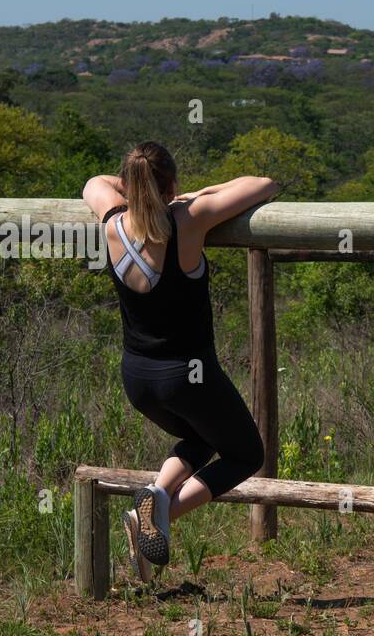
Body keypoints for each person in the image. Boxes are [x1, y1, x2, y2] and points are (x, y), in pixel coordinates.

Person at [83, 142, 278, 580]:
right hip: (188, 376)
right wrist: (197, 196)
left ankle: (156, 493)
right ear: (172, 185)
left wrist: (141, 190)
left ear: (130, 188)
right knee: (246, 453)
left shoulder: (113, 222)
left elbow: (93, 184)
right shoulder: (189, 220)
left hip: (137, 377)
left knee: (202, 436)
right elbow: (263, 185)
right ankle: (159, 511)